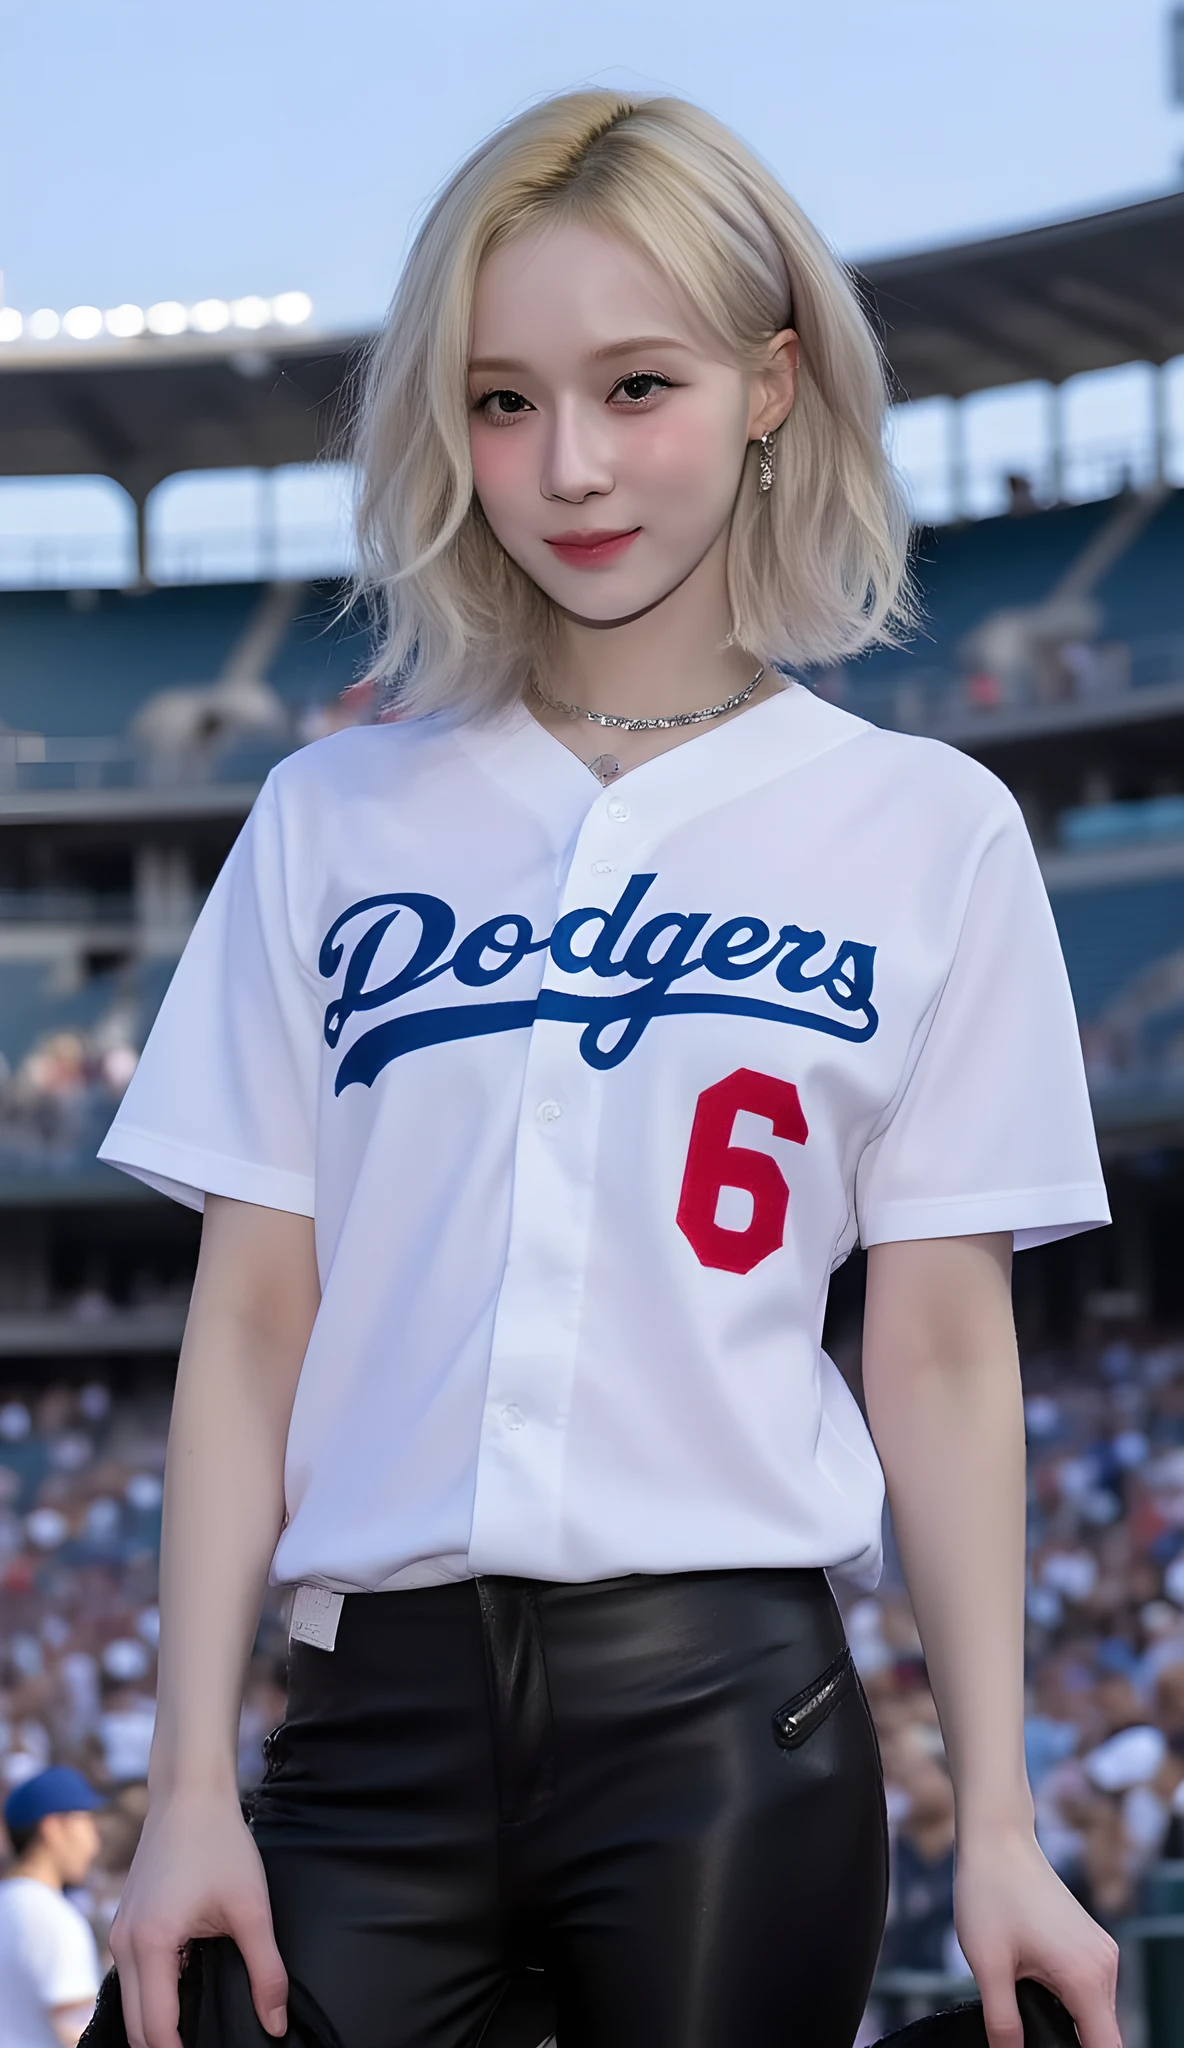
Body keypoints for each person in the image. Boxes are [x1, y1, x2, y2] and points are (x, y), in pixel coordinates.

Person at [98, 91, 1121, 2048]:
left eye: (633, 384)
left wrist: (1000, 1816)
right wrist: (186, 1786)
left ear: (767, 384)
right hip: (362, 1718)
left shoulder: (929, 828)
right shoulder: (329, 819)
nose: (563, 465)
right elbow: (249, 1329)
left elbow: (937, 1351)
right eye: (497, 401)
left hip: (724, 1714)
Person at [0, 1766, 104, 2048]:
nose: (94, 1842)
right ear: (54, 1827)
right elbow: (79, 2038)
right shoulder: (52, 1918)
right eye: (88, 1822)